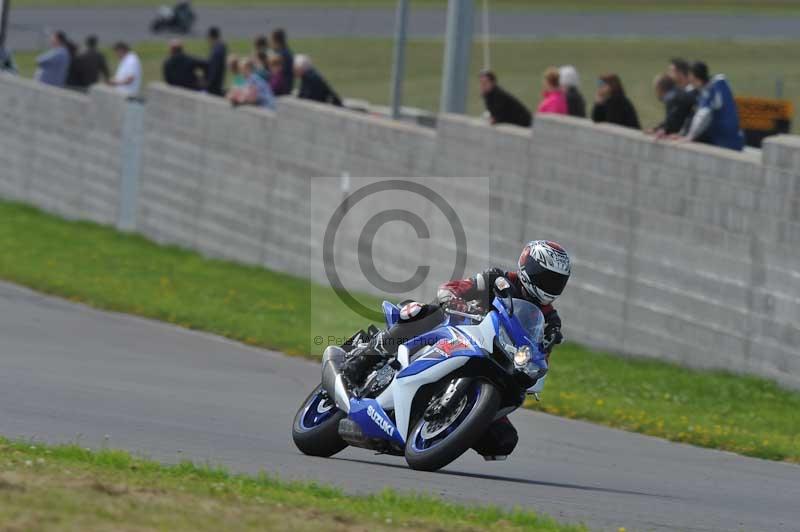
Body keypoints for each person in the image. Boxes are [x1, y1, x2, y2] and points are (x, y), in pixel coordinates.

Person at [340, 240, 570, 459]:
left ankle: (450, 427)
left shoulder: (550, 321)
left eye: (556, 281)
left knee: (503, 441)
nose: (549, 285)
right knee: (420, 313)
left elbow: (541, 358)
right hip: (456, 332)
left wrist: (534, 366)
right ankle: (361, 361)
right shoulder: (497, 280)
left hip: (498, 364)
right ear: (527, 266)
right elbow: (453, 288)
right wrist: (454, 299)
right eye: (544, 277)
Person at [680, 61, 744, 151]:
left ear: (694, 78)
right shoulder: (721, 83)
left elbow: (702, 116)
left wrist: (690, 136)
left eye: (691, 79)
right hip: (737, 139)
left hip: (722, 143)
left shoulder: (708, 92)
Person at [206, 26, 227, 96]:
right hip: (218, 83)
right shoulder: (221, 47)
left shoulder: (217, 50)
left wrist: (208, 85)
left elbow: (214, 69)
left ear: (211, 37)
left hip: (214, 87)